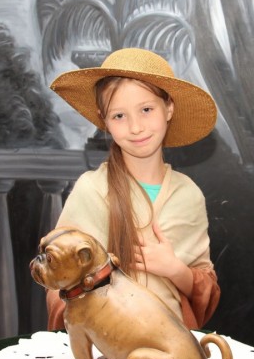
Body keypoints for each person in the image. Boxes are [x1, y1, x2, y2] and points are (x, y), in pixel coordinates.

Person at [45, 47, 220, 330]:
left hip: (170, 345)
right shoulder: (91, 190)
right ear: (104, 119)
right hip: (104, 342)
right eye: (119, 116)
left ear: (169, 108)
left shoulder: (189, 195)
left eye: (146, 110)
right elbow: (59, 279)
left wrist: (174, 269)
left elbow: (205, 290)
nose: (136, 127)